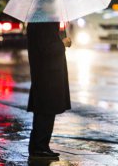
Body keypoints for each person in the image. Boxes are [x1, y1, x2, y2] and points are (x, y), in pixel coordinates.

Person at [27, 22, 72, 158]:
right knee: (46, 110)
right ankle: (40, 147)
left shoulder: (39, 20)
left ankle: (38, 146)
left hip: (45, 73)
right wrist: (62, 43)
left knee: (44, 110)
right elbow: (46, 49)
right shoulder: (43, 22)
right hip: (47, 74)